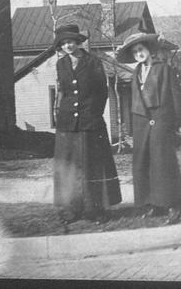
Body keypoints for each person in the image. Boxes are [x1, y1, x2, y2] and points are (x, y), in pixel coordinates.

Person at [52, 24, 122, 224]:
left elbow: (102, 91)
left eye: (71, 42)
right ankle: (72, 210)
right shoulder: (61, 64)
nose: (68, 46)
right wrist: (61, 113)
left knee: (92, 166)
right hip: (68, 124)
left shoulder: (93, 62)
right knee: (69, 167)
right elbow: (63, 91)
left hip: (90, 122)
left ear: (78, 42)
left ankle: (95, 210)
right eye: (64, 43)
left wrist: (93, 113)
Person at [117, 32, 181, 225]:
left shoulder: (164, 69)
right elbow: (134, 101)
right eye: (135, 52)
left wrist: (173, 122)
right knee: (144, 164)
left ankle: (173, 206)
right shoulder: (136, 73)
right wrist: (132, 128)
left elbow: (177, 98)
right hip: (141, 124)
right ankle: (152, 204)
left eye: (141, 49)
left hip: (160, 121)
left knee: (163, 164)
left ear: (148, 49)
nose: (139, 54)